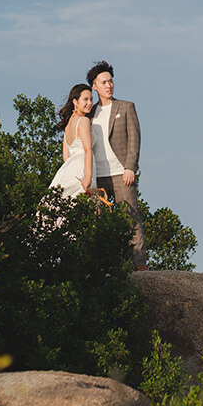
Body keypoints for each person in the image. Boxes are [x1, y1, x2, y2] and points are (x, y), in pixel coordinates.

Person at [87, 60, 148, 270]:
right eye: (103, 82)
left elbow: (135, 138)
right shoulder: (90, 113)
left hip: (121, 173)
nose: (109, 85)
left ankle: (140, 266)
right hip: (98, 177)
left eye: (110, 81)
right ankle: (105, 266)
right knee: (98, 222)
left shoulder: (126, 107)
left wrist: (130, 167)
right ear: (94, 86)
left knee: (131, 219)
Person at [46, 83, 95, 202]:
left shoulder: (67, 124)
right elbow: (88, 149)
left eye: (91, 99)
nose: (89, 103)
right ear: (75, 102)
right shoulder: (84, 120)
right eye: (85, 99)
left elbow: (66, 157)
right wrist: (88, 178)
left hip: (69, 168)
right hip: (83, 168)